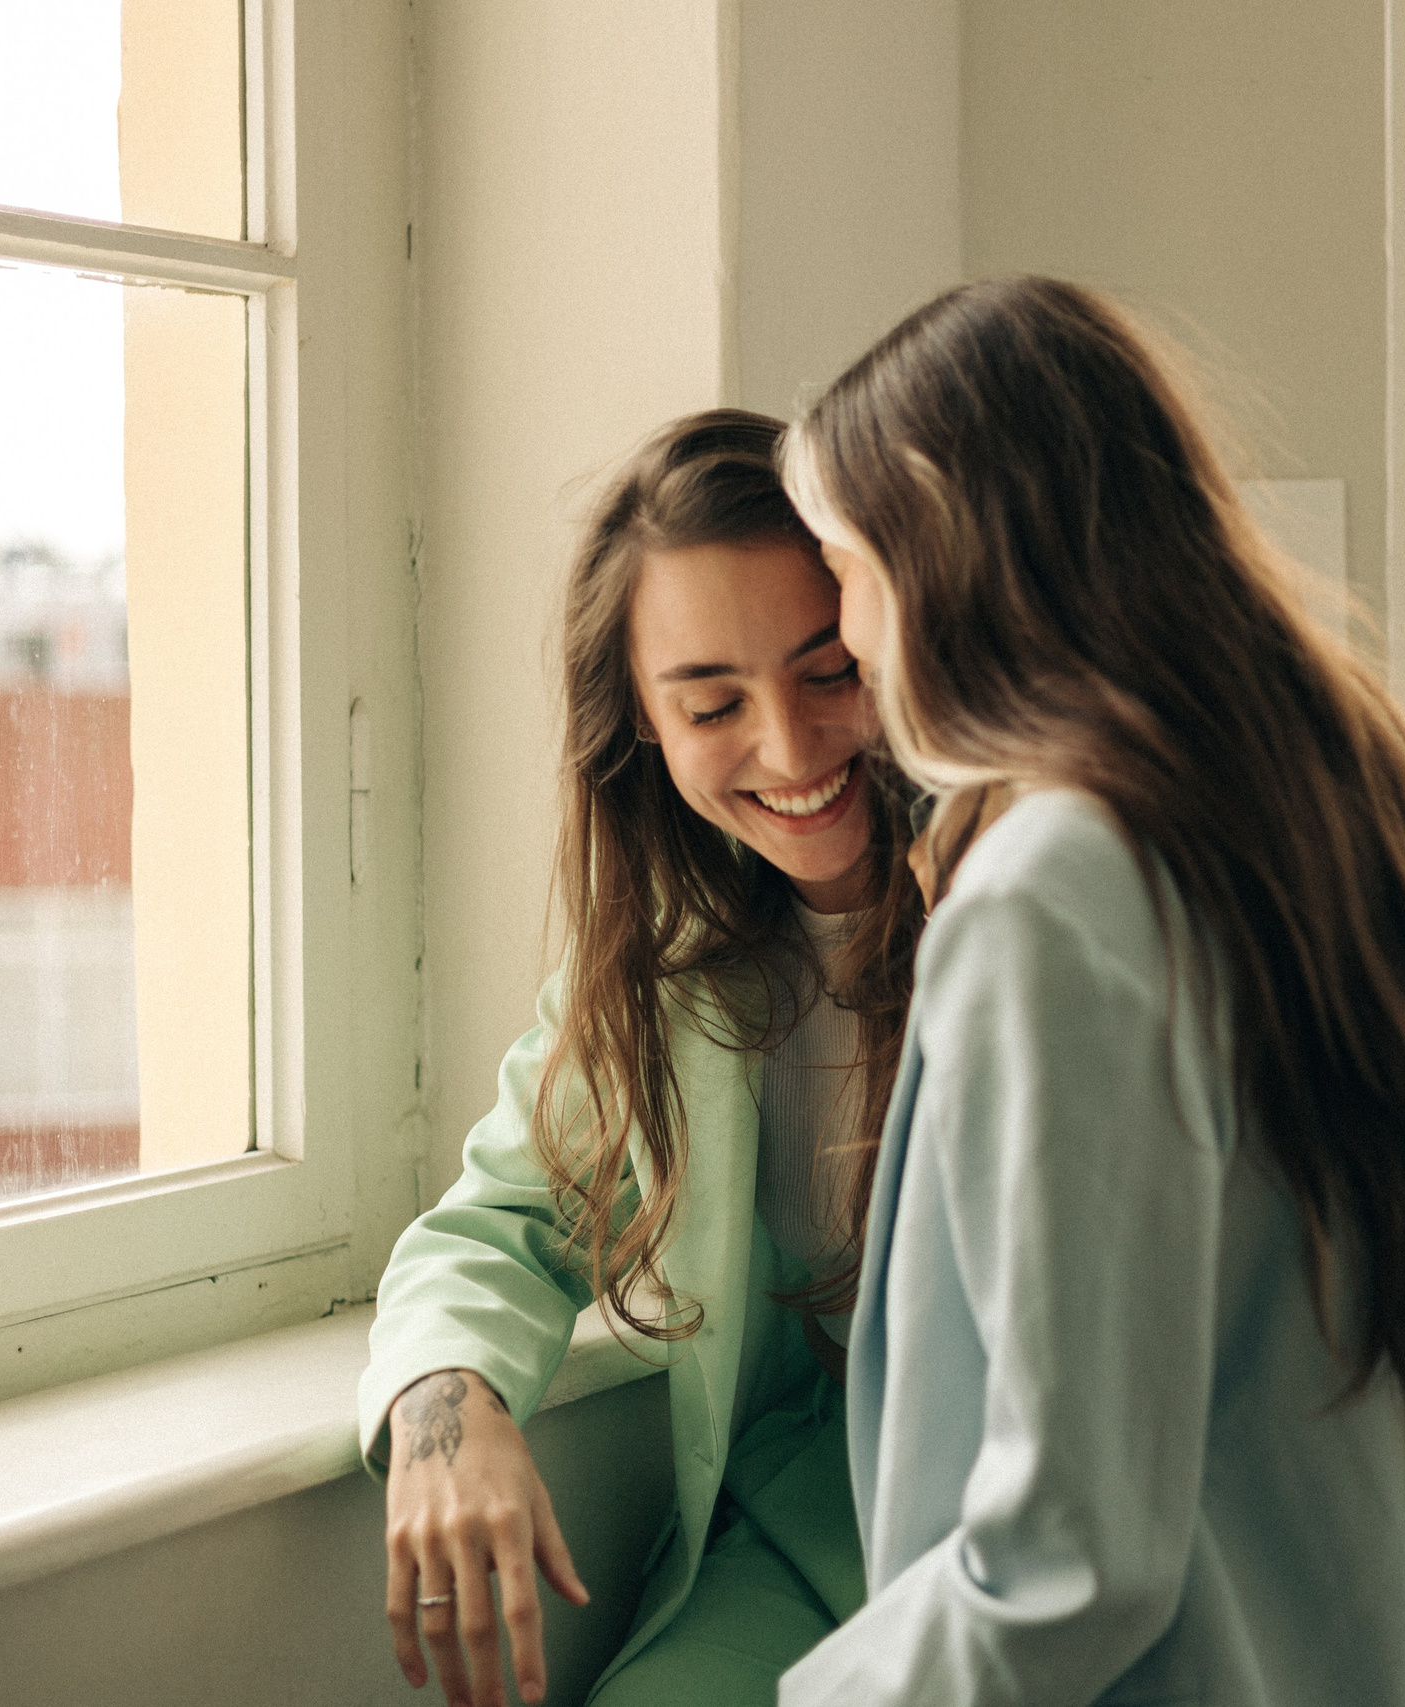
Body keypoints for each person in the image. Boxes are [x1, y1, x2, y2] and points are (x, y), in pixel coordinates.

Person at [774, 277, 1405, 1706]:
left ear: (944, 544)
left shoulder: (1051, 901)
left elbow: (1072, 1556)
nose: (842, 625)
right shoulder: (1319, 809)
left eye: (844, 561)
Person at [355, 409, 921, 1707]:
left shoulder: (1041, 920)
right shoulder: (660, 980)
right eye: (714, 702)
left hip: (1055, 1528)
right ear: (646, 731)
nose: (787, 748)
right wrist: (450, 1413)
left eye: (830, 672)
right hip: (812, 1528)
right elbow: (490, 1228)